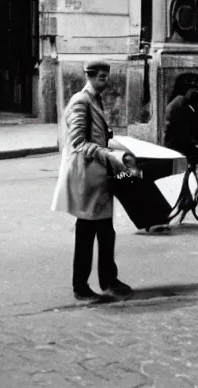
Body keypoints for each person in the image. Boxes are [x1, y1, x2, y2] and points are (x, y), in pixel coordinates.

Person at [51, 59, 137, 302]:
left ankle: (108, 279)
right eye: (101, 77)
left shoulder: (95, 100)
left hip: (98, 177)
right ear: (89, 76)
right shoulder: (81, 101)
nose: (105, 81)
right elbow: (78, 143)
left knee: (105, 232)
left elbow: (100, 136)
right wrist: (107, 154)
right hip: (87, 177)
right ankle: (81, 285)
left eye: (107, 76)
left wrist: (115, 147)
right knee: (87, 233)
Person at [161, 74, 198, 228]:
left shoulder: (177, 103)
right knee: (183, 177)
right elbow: (183, 131)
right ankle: (182, 203)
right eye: (192, 90)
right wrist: (194, 145)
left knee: (182, 176)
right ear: (187, 90)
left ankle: (181, 203)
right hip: (176, 147)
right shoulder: (181, 104)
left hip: (172, 146)